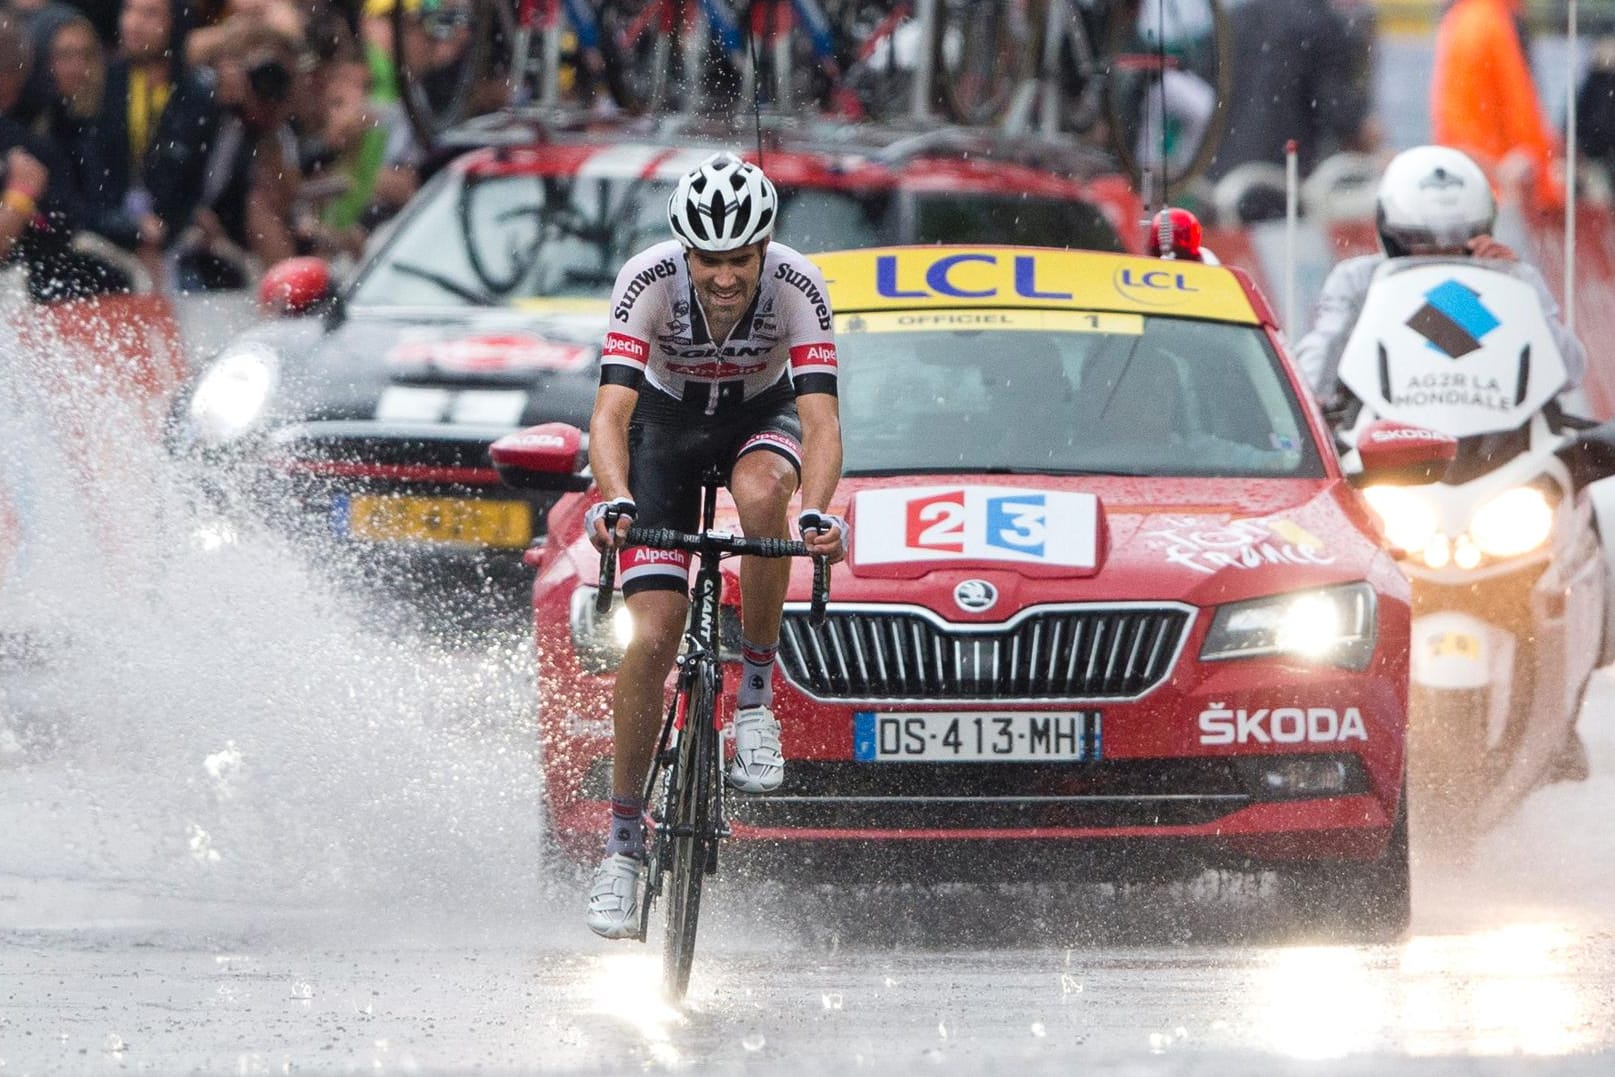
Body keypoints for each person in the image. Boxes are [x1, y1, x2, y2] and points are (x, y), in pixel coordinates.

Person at [582, 152, 848, 940]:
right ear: (683, 250)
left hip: (756, 419)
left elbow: (824, 423)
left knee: (765, 493)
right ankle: (623, 846)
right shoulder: (647, 279)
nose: (725, 277)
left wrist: (816, 512)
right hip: (662, 432)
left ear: (764, 249)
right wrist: (616, 499)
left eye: (740, 259)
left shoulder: (798, 284)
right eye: (709, 260)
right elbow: (608, 414)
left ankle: (756, 696)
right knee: (655, 634)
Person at [1295, 144, 1585, 412]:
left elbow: (1569, 372)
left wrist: (1514, 294)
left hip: (1498, 437)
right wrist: (1317, 403)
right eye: (1422, 243)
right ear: (1393, 236)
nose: (1440, 255)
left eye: (1455, 243)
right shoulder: (1358, 280)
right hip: (1389, 438)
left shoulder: (1514, 277)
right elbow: (1316, 371)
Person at [1207, 0, 1377, 187]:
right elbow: (1341, 116)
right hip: (1279, 185)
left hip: (1217, 179)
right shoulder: (1325, 24)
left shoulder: (1232, 19)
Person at [1430, 0, 1564, 211]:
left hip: (1484, 189)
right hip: (1500, 195)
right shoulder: (1488, 21)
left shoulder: (1472, 20)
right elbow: (1520, 107)